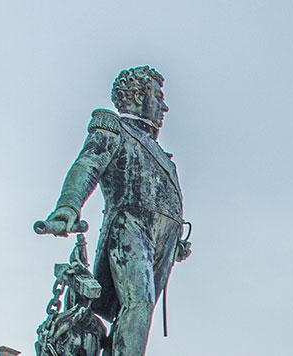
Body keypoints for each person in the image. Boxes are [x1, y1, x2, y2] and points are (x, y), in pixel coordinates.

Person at [44, 66, 189, 356]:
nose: (164, 105)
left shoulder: (163, 155)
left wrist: (175, 243)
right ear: (135, 96)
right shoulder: (114, 127)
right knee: (139, 304)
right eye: (157, 96)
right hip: (130, 225)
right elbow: (88, 164)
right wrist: (69, 205)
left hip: (162, 239)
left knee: (137, 313)